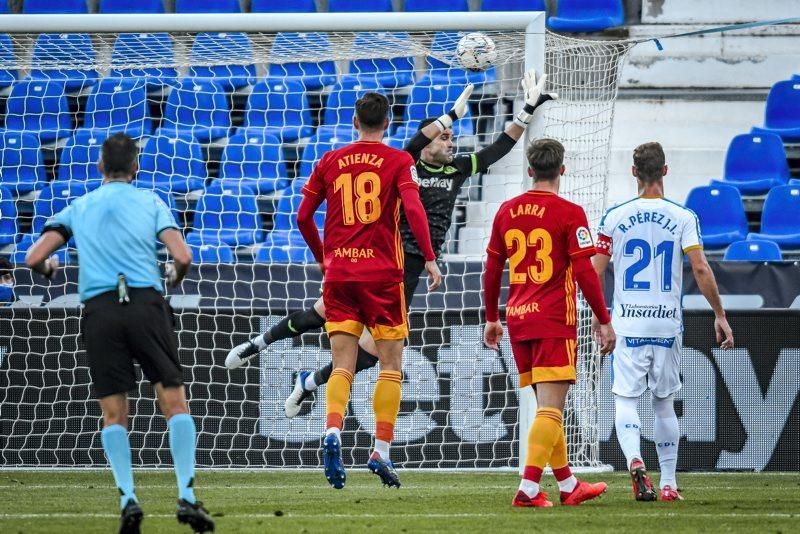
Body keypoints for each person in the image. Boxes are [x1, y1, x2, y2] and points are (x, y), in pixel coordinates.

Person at [226, 69, 555, 418]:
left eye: (451, 137)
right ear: (427, 143)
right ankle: (259, 345)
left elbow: (499, 147)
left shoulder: (457, 169)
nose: (450, 142)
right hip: (388, 259)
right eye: (443, 137)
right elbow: (414, 143)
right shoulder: (405, 162)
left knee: (369, 352)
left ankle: (308, 383)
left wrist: (526, 111)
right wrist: (451, 114)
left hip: (407, 271)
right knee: (326, 317)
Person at [24, 133, 214, 534]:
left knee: (114, 413)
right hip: (145, 304)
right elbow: (183, 256)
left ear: (99, 168)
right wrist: (174, 277)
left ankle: (128, 500)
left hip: (100, 310)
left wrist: (49, 272)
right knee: (175, 403)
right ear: (136, 169)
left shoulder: (80, 205)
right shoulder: (150, 201)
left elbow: (33, 257)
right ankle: (187, 496)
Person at [295, 91, 441, 489]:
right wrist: (428, 256)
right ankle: (380, 449)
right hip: (382, 277)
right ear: (388, 124)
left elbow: (302, 215)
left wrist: (323, 256)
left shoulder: (330, 160)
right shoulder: (399, 161)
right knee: (390, 365)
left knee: (342, 363)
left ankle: (332, 431)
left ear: (354, 122)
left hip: (340, 274)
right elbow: (413, 209)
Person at [592, 142, 734, 502]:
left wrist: (600, 318)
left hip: (628, 324)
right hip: (666, 325)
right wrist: (719, 314)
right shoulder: (683, 217)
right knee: (664, 402)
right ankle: (668, 482)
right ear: (665, 171)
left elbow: (595, 272)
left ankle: (635, 459)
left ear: (634, 172)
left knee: (625, 399)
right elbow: (700, 268)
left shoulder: (614, 216)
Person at [483, 138, 616, 508]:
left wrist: (492, 317)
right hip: (555, 318)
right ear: (562, 169)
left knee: (546, 406)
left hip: (519, 320)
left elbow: (492, 268)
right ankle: (527, 489)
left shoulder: (507, 210)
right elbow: (586, 274)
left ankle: (569, 484)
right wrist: (603, 319)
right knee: (551, 410)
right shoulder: (570, 212)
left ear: (530, 170)